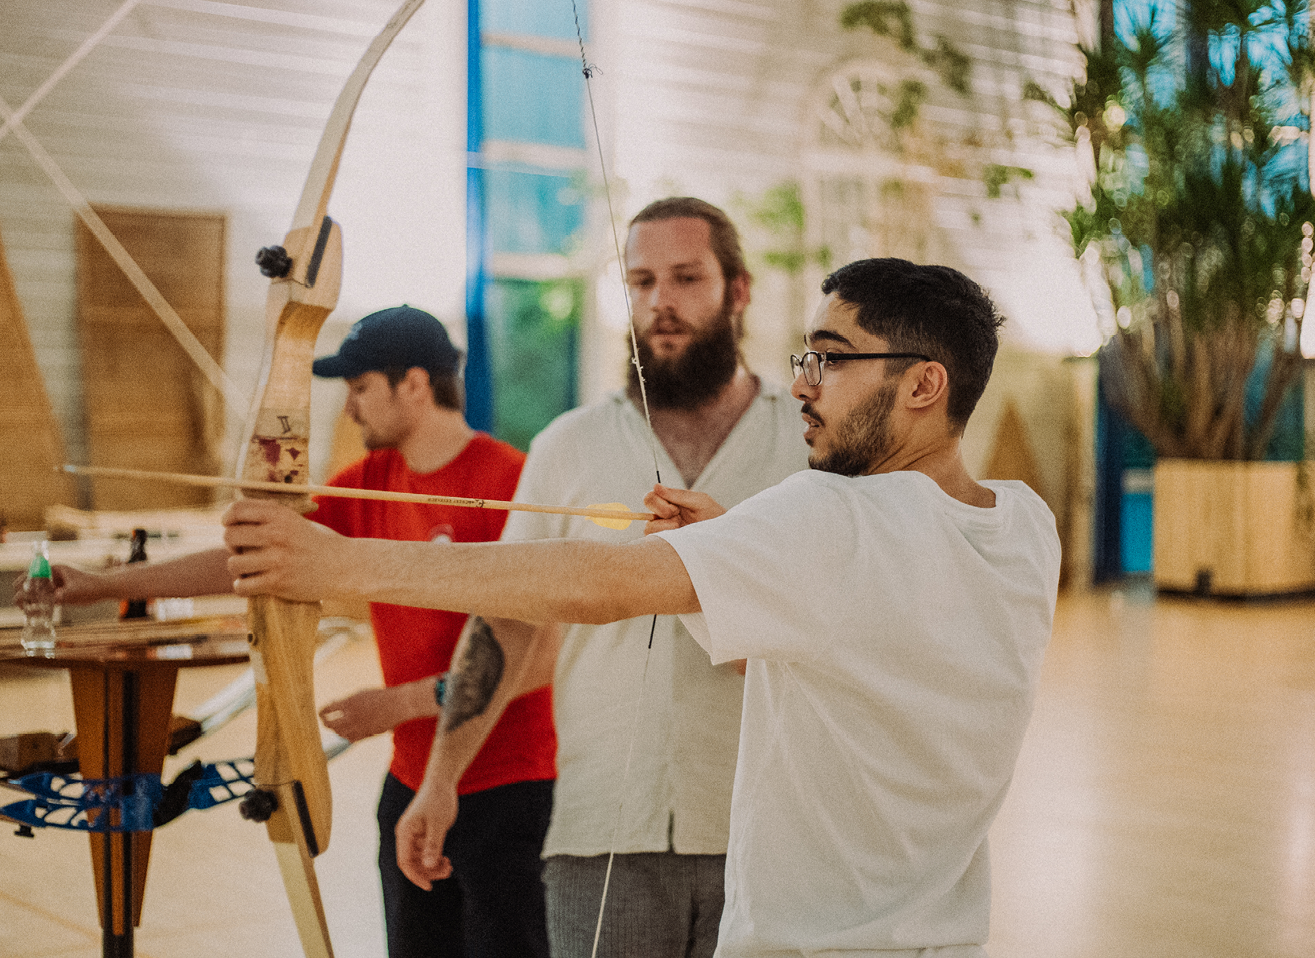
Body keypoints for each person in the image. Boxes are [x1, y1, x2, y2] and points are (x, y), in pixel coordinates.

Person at [222, 257, 1061, 958]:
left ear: (924, 383)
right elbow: (869, 630)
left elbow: (597, 587)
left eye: (832, 360)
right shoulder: (1024, 525)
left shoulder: (825, 516)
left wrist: (337, 560)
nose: (806, 386)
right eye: (804, 360)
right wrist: (739, 551)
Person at [35, 306, 555, 958]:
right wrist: (102, 585)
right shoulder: (370, 484)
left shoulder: (506, 480)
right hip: (410, 782)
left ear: (415, 384)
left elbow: (536, 662)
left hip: (507, 791)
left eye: (361, 387)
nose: (349, 409)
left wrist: (397, 704)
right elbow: (259, 556)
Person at [398, 197, 805, 958]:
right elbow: (505, 618)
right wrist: (440, 776)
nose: (662, 302)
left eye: (686, 278)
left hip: (775, 833)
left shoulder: (806, 447)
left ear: (738, 291)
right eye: (642, 281)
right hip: (602, 833)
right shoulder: (568, 444)